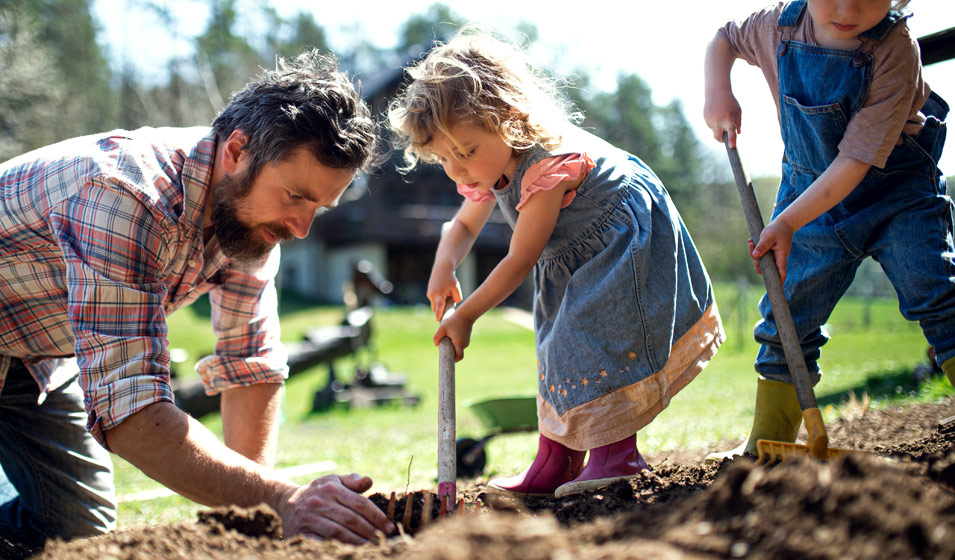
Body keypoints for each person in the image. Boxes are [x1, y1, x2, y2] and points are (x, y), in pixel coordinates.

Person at [0, 49, 394, 549]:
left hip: (30, 353)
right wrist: (282, 501)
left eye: (319, 206)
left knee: (79, 531)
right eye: (296, 196)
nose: (301, 228)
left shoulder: (248, 219)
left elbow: (249, 364)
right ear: (236, 152)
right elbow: (132, 410)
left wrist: (253, 523)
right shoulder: (123, 192)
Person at [388, 29, 724, 498]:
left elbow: (520, 258)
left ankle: (616, 454)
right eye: (445, 159)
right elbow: (461, 227)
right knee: (557, 348)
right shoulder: (488, 163)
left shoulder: (547, 166)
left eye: (466, 152)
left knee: (595, 338)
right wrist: (444, 266)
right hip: (571, 253)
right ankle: (557, 459)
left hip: (618, 238)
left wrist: (467, 315)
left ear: (508, 119)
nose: (459, 170)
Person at [703, 0, 955, 462]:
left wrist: (786, 223)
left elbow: (854, 161)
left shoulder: (896, 48)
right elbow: (724, 39)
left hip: (895, 193)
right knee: (787, 312)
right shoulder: (776, 27)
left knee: (933, 287)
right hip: (809, 197)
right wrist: (719, 90)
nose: (846, 7)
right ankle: (768, 434)